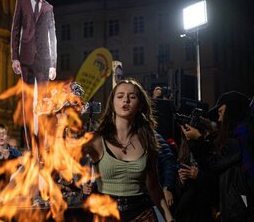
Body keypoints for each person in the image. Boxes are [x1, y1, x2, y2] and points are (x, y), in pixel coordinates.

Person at [82, 78, 173, 222]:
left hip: (141, 214)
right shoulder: (96, 140)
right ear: (112, 103)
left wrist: (169, 219)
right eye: (120, 96)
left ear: (140, 104)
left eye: (132, 97)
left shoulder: (148, 141)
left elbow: (154, 186)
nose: (126, 100)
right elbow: (65, 162)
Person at [181, 91, 254, 221]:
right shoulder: (241, 136)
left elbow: (212, 164)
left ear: (232, 110)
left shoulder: (241, 138)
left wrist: (196, 141)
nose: (219, 119)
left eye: (220, 112)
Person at [11, 0, 57, 84]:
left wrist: (53, 65)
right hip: (26, 58)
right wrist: (15, 58)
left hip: (44, 60)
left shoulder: (48, 8)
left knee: (44, 99)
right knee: (27, 97)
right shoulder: (21, 2)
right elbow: (15, 30)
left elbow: (52, 38)